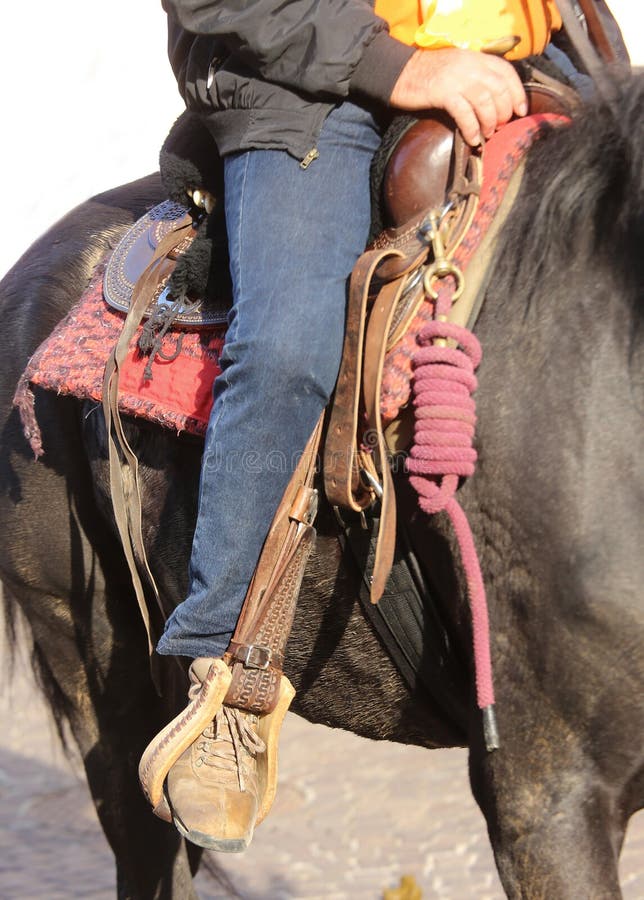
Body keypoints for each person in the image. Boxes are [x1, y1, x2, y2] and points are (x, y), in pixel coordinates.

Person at [145, 0, 625, 853]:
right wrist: (401, 67)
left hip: (524, 62)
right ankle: (226, 673)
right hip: (318, 89)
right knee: (291, 345)